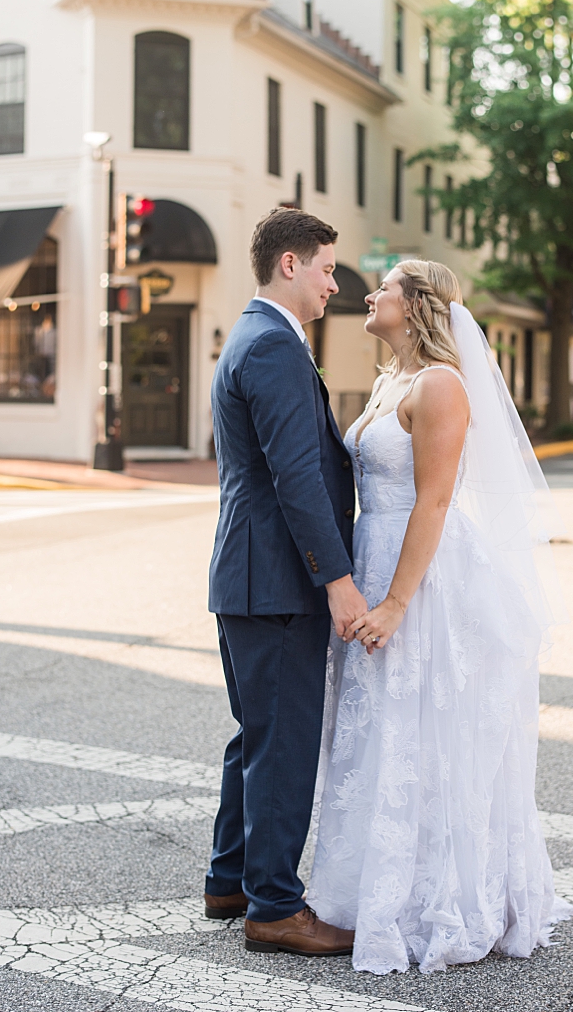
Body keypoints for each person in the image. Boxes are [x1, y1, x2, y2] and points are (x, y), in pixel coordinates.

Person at [308, 260, 573, 974]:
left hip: (422, 575)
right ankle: (366, 889)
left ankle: (436, 899)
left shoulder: (442, 385)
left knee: (424, 728)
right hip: (374, 558)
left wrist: (397, 599)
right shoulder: (391, 380)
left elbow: (432, 499)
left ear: (417, 303)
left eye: (385, 286)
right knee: (378, 730)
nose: (370, 293)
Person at [205, 207, 365, 956]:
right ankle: (273, 905)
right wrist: (336, 578)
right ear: (291, 264)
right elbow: (296, 475)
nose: (337, 283)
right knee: (284, 742)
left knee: (258, 733)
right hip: (276, 581)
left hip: (250, 575)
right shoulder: (271, 344)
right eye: (328, 268)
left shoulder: (260, 336)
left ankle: (230, 877)